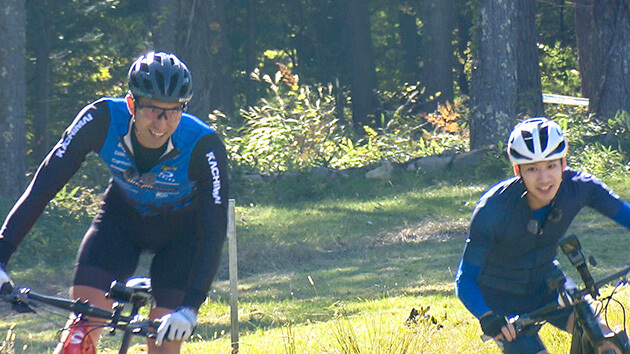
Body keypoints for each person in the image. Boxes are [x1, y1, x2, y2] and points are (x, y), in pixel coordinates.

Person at [0, 51, 229, 354]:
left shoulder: (204, 144)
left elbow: (214, 230)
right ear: (132, 103)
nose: (161, 123)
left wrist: (190, 308)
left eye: (173, 111)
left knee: (164, 343)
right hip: (119, 224)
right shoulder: (101, 119)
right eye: (151, 110)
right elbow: (44, 185)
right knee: (79, 336)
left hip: (182, 238)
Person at [455, 117, 630, 353]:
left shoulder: (580, 187)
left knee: (609, 344)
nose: (544, 178)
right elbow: (464, 280)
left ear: (563, 164)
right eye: (532, 169)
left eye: (550, 166)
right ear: (518, 171)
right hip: (500, 303)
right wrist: (488, 317)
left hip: (548, 285)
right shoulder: (493, 209)